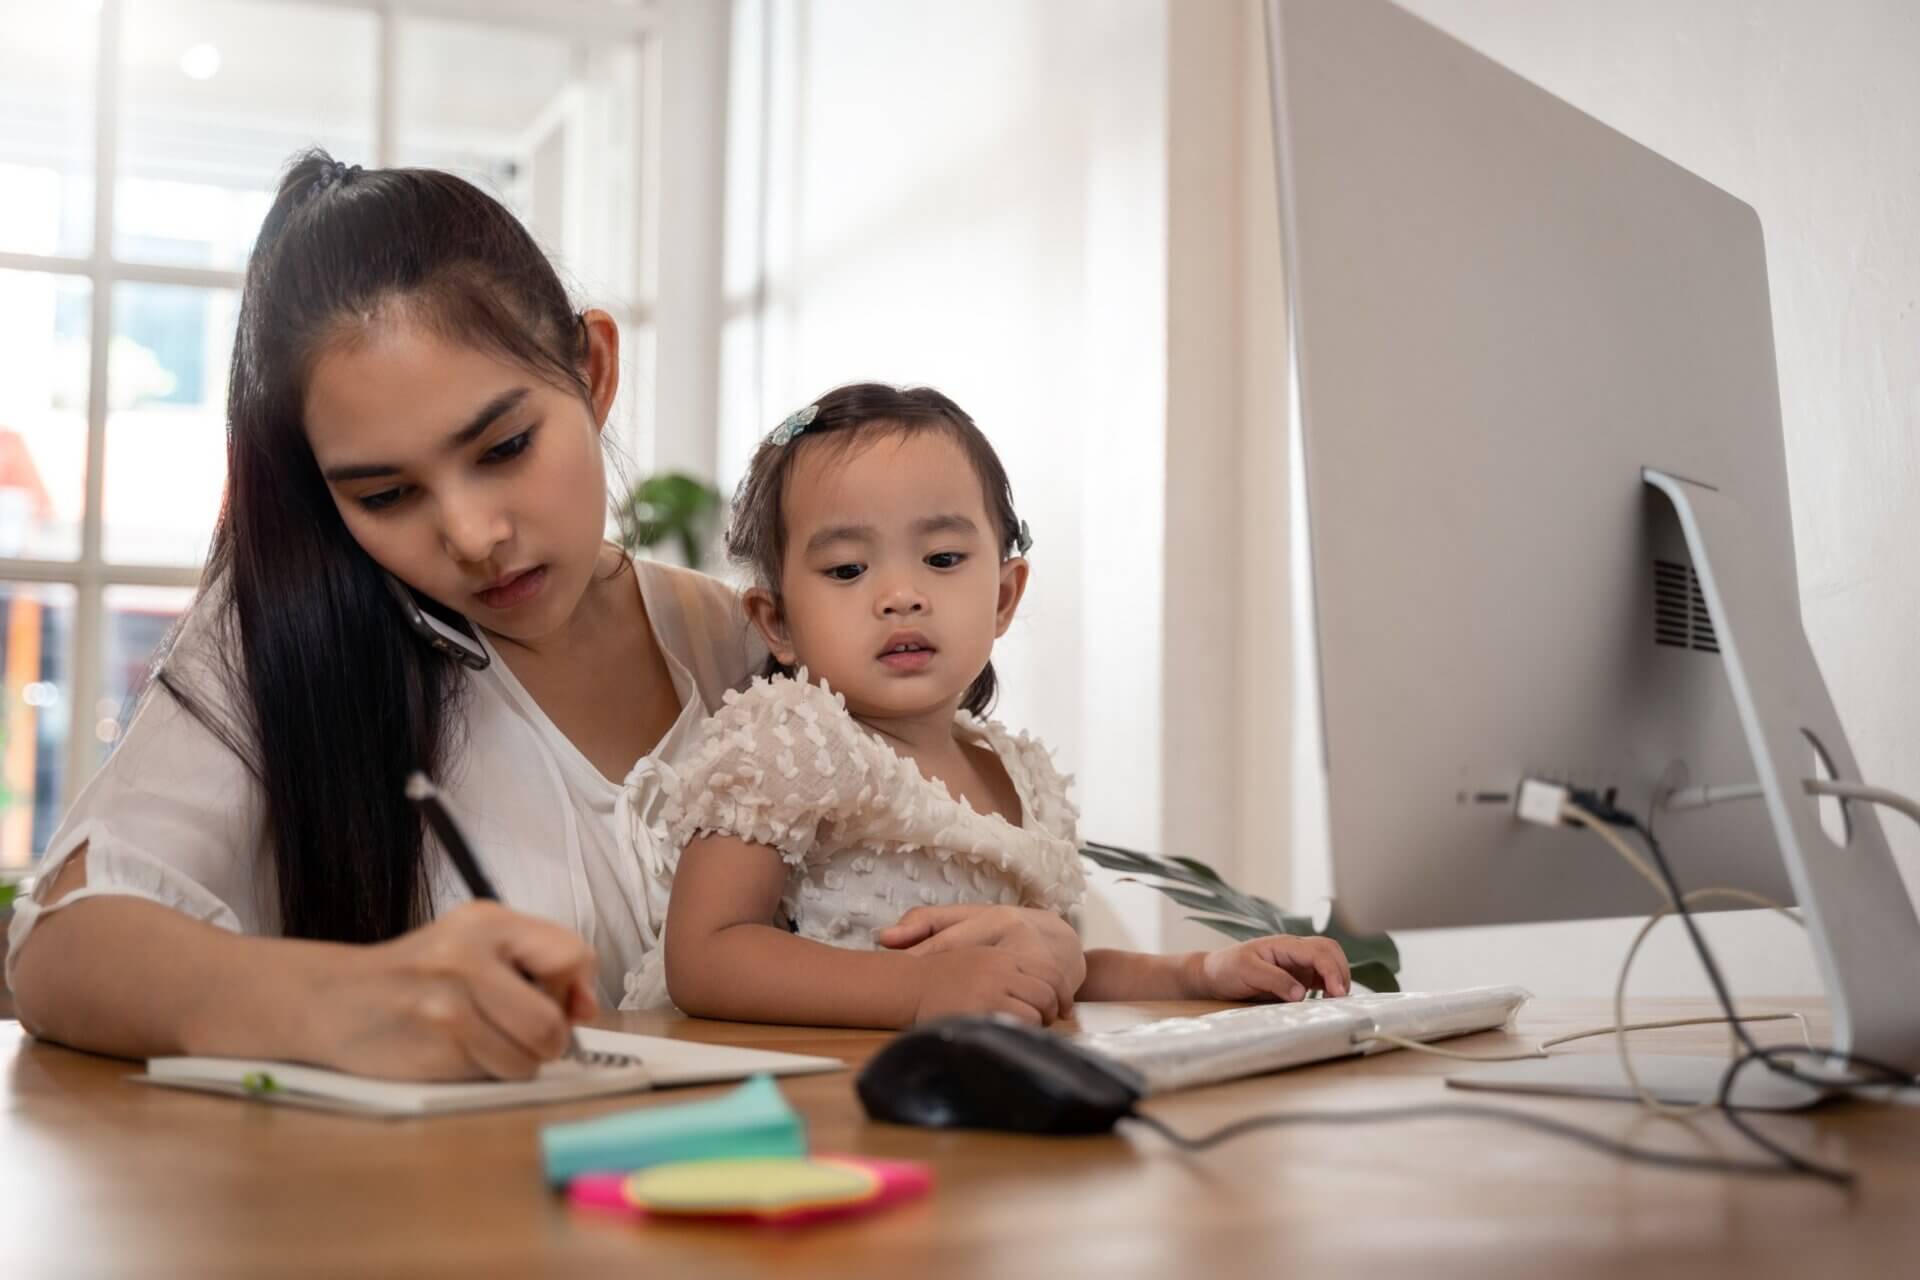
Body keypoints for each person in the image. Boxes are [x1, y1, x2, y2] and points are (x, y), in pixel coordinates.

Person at [4, 153, 1080, 1080]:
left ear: (593, 368)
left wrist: (1011, 937)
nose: (473, 532)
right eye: (385, 495)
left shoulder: (753, 648)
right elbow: (58, 946)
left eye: (505, 446)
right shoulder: (283, 641)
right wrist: (349, 999)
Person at [652, 383, 1352, 1028]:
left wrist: (1202, 973)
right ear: (777, 622)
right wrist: (922, 990)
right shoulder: (791, 741)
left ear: (1004, 596)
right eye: (847, 569)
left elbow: (1049, 971)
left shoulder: (1020, 777)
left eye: (943, 559)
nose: (901, 594)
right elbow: (706, 955)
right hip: (807, 1106)